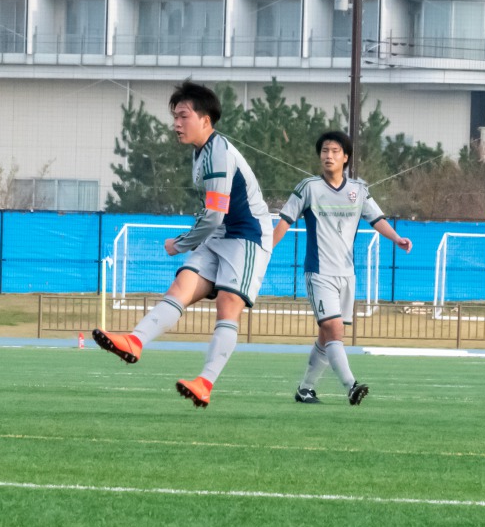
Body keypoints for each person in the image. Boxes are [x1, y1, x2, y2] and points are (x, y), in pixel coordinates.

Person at [92, 81, 275, 408]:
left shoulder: (219, 152)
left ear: (205, 119)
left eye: (183, 116)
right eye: (175, 117)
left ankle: (205, 382)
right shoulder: (200, 153)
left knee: (228, 305)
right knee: (181, 286)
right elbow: (214, 215)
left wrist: (181, 243)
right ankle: (135, 341)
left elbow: (215, 215)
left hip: (247, 235)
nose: (176, 124)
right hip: (220, 233)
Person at [272, 130, 411, 406]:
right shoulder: (309, 187)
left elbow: (376, 218)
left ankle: (305, 389)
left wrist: (396, 238)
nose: (329, 156)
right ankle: (351, 386)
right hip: (319, 272)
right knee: (333, 330)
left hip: (347, 274)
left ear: (345, 157)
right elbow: (285, 221)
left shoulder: (358, 190)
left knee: (329, 335)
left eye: (335, 151)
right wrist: (266, 251)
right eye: (325, 151)